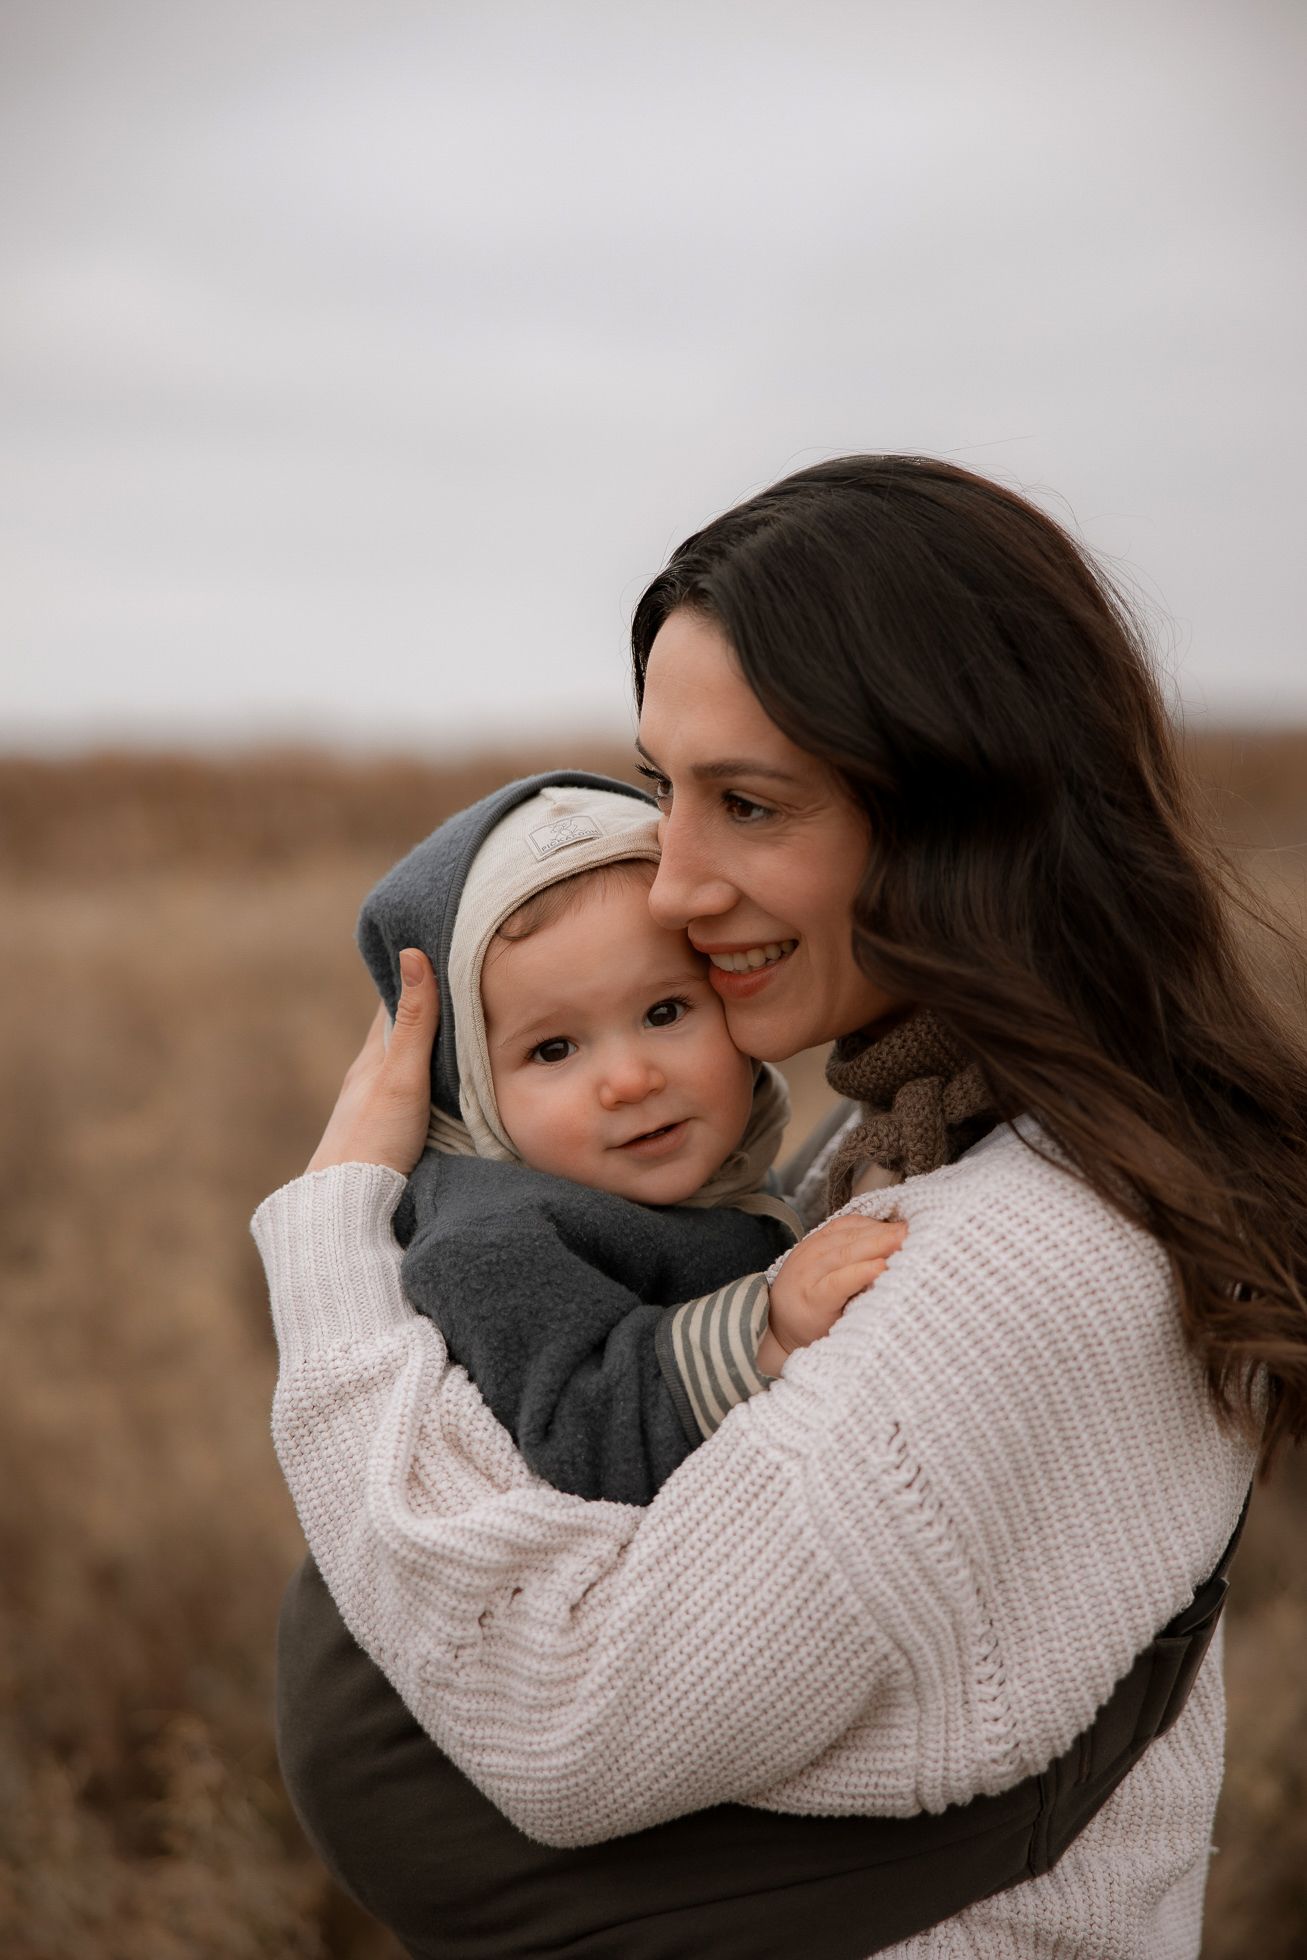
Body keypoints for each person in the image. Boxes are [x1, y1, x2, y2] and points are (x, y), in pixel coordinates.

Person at [254, 457, 1307, 1959]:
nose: (672, 884)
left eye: (747, 803)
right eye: (658, 791)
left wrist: (334, 1242)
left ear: (962, 808)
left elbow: (562, 1724)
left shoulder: (1028, 1249)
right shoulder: (909, 1143)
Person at [349, 772, 904, 1502]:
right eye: (553, 1050)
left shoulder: (703, 1181)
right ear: (473, 1089)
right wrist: (763, 1328)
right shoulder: (491, 1240)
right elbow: (580, 1428)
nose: (630, 1080)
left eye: (666, 1011)